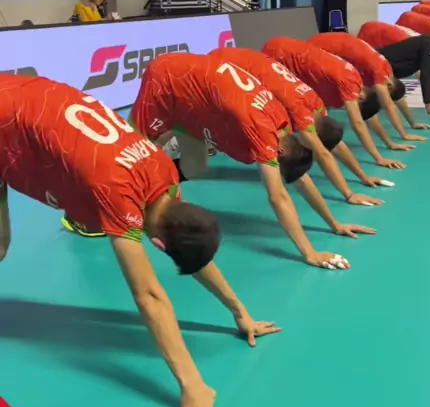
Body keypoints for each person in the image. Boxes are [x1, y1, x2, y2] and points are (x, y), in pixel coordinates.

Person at [0, 74, 279, 407]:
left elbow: (191, 244)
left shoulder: (165, 174)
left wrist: (240, 312)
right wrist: (193, 386)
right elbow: (148, 296)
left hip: (32, 96)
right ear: (158, 244)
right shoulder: (118, 193)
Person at [130, 52, 360, 271]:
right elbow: (278, 197)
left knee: (195, 166)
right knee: (135, 155)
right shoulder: (262, 133)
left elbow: (301, 179)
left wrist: (334, 224)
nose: (275, 174)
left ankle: (165, 147)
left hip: (194, 100)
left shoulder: (282, 126)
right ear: (279, 153)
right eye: (278, 170)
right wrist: (309, 252)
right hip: (166, 77)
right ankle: (130, 207)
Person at [211, 45, 382, 208]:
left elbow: (333, 145)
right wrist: (349, 194)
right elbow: (323, 154)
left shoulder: (317, 105)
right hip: (224, 64)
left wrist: (363, 177)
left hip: (243, 58)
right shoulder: (301, 113)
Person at [262, 36, 406, 171]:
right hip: (279, 53)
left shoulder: (354, 81)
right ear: (361, 97)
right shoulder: (349, 84)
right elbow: (358, 123)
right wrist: (379, 158)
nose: (346, 109)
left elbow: (365, 118)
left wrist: (389, 143)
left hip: (289, 48)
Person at [307, 32, 430, 146]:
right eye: (383, 96)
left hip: (329, 42)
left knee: (358, 100)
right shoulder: (378, 73)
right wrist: (404, 135)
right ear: (389, 86)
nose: (380, 98)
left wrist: (412, 123)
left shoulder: (385, 71)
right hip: (318, 48)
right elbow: (388, 105)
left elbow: (386, 103)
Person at [378, 27, 430, 115]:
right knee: (391, 94)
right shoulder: (429, 45)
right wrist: (428, 106)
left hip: (393, 67)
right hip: (381, 64)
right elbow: (426, 74)